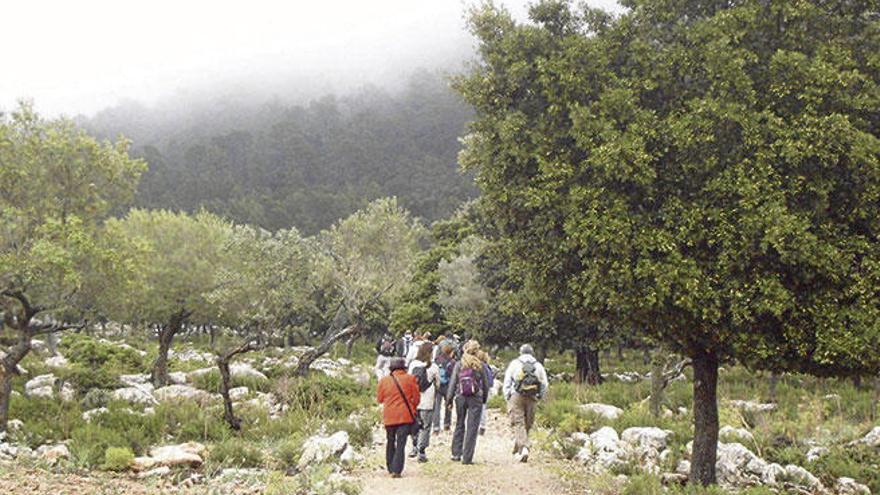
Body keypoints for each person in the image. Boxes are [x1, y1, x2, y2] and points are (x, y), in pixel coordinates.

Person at [503, 344, 549, 463]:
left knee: (519, 423)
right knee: (528, 423)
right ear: (532, 353)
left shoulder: (514, 363)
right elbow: (544, 384)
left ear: (521, 352)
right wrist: (540, 396)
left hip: (516, 395)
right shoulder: (538, 365)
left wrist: (507, 396)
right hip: (532, 397)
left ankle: (523, 448)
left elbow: (507, 381)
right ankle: (520, 447)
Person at [447, 340, 489, 465]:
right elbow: (485, 385)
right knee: (472, 427)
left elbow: (453, 382)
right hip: (475, 397)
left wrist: (449, 400)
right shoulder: (479, 364)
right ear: (477, 351)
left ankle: (456, 453)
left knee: (459, 423)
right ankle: (467, 457)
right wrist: (484, 399)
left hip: (460, 396)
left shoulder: (459, 364)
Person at [376, 357, 420, 478]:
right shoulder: (410, 379)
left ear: (391, 368)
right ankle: (397, 470)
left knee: (390, 440)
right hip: (405, 416)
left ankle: (390, 466)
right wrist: (413, 408)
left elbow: (379, 399)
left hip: (389, 416)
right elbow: (416, 398)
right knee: (401, 443)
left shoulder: (384, 381)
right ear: (404, 368)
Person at [407, 342, 439, 462]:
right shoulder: (433, 366)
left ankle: (414, 446)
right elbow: (438, 383)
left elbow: (409, 380)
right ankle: (422, 451)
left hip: (414, 400)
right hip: (428, 400)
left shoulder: (413, 364)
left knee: (414, 424)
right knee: (425, 426)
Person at [432, 343, 456, 433]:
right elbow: (453, 375)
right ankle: (447, 425)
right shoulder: (452, 362)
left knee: (437, 406)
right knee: (448, 405)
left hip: (437, 385)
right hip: (448, 386)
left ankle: (436, 427)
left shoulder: (437, 360)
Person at [478, 350, 495, 436]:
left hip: (479, 389)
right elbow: (490, 381)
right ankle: (482, 426)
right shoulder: (487, 367)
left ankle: (479, 426)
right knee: (483, 408)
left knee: (478, 408)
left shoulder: (479, 366)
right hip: (486, 389)